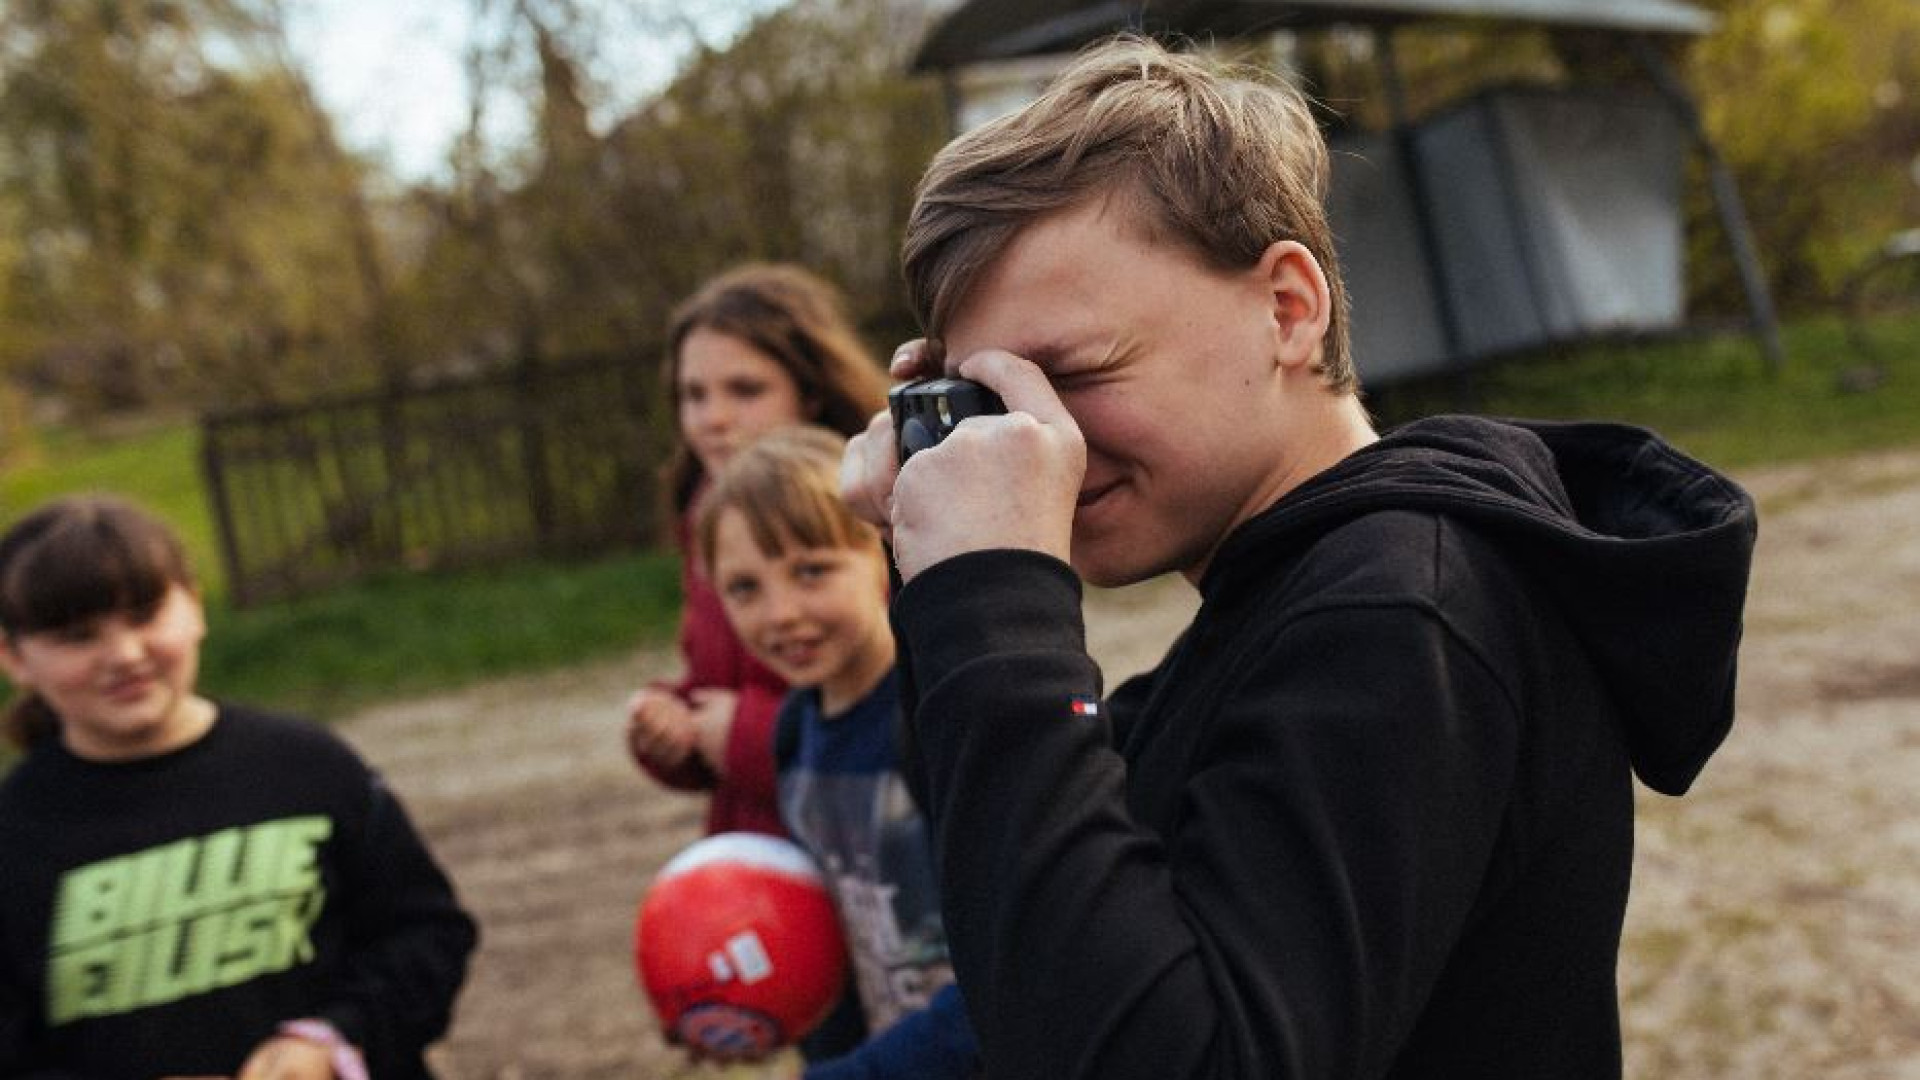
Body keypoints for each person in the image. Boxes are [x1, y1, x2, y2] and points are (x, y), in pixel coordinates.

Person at [839, 35, 1757, 1080]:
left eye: (1076, 371)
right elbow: (1038, 917)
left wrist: (993, 601)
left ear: (1287, 308)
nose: (1032, 436)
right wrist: (938, 571)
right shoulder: (1296, 597)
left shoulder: (1399, 611)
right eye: (985, 397)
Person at [0, 494, 479, 1080]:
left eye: (146, 615)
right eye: (78, 636)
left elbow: (427, 935)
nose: (124, 654)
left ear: (195, 606)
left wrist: (332, 1040)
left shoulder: (307, 766)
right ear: (13, 657)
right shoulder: (15, 833)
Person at [692, 426, 977, 1079]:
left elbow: (1014, 953)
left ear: (881, 553)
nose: (781, 613)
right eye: (745, 588)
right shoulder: (797, 731)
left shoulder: (935, 716)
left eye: (811, 571)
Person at [627, 263, 891, 838]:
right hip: (756, 850)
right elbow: (717, 691)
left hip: (857, 853)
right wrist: (672, 725)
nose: (713, 419)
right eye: (693, 395)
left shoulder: (869, 514)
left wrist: (748, 738)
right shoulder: (707, 517)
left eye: (745, 390)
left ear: (811, 393)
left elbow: (901, 732)